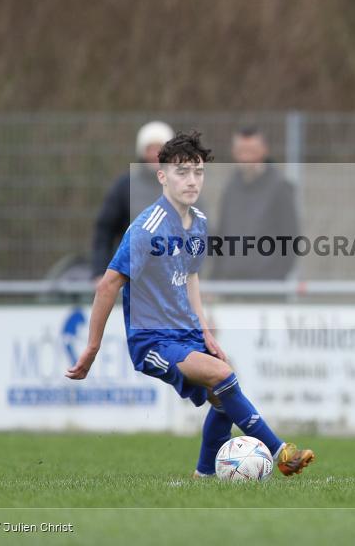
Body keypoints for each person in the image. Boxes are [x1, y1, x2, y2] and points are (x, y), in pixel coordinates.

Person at [67, 131, 315, 478]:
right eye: (182, 172)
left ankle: (203, 476)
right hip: (153, 340)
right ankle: (280, 451)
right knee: (224, 376)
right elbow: (109, 284)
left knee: (225, 398)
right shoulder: (147, 228)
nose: (191, 180)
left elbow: (191, 277)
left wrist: (205, 331)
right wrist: (92, 347)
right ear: (162, 176)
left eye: (198, 172)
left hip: (187, 334)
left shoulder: (198, 223)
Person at [211, 126, 300, 280]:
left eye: (251, 151)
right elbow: (221, 233)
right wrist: (216, 278)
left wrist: (276, 275)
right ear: (234, 152)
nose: (246, 157)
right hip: (231, 284)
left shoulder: (280, 187)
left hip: (267, 287)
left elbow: (291, 237)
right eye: (241, 151)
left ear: (264, 151)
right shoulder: (230, 188)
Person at [91, 121, 173, 279]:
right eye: (150, 149)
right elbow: (104, 232)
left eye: (161, 149)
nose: (156, 155)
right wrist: (100, 272)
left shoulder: (182, 186)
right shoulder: (124, 187)